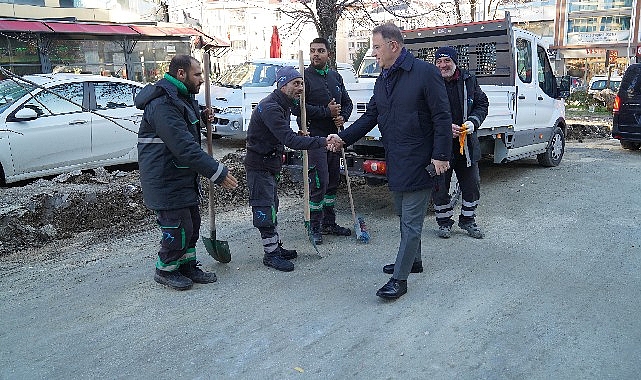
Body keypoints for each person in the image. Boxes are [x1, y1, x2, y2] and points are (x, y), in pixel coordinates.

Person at [330, 23, 453, 299]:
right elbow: (371, 115)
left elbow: (442, 116)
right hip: (396, 158)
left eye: (376, 47)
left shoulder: (425, 73)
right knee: (402, 214)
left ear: (393, 46)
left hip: (422, 159)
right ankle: (414, 261)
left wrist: (441, 155)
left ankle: (400, 279)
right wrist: (343, 138)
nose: (373, 53)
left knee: (410, 221)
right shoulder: (383, 78)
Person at [135, 54, 239, 291]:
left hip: (181, 176)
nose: (202, 79)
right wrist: (217, 172)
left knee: (191, 223)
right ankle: (166, 268)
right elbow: (183, 146)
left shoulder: (181, 97)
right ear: (181, 74)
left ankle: (187, 266)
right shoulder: (162, 103)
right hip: (165, 178)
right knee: (177, 227)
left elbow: (183, 125)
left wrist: (201, 118)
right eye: (198, 74)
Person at [245, 66, 337, 272]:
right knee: (264, 208)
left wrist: (300, 136)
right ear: (282, 84)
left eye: (302, 83)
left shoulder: (283, 104)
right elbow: (289, 140)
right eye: (296, 83)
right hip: (259, 165)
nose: (300, 88)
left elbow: (282, 134)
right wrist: (321, 141)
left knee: (272, 206)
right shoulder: (271, 107)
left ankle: (275, 246)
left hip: (270, 164)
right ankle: (270, 254)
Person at [295, 37, 354, 245]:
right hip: (314, 139)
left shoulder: (335, 77)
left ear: (328, 54)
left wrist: (342, 117)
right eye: (312, 51)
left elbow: (347, 103)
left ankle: (329, 222)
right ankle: (315, 226)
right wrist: (326, 112)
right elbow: (297, 109)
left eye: (320, 51)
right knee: (318, 182)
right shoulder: (304, 78)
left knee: (332, 181)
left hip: (334, 139)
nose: (315, 54)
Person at [432, 46, 489, 239]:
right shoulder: (431, 82)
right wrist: (445, 127)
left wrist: (474, 121)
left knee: (472, 185)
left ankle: (468, 220)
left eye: (447, 61)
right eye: (439, 61)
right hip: (440, 146)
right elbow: (423, 113)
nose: (442, 65)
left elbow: (482, 104)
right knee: (440, 186)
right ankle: (444, 222)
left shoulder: (469, 80)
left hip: (466, 145)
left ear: (455, 62)